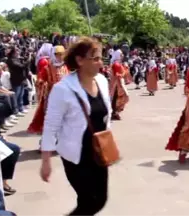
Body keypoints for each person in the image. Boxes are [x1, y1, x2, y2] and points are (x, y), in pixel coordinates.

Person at [40, 37, 111, 216]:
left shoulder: (102, 81)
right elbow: (50, 126)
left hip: (99, 151)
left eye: (101, 58)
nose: (100, 63)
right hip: (76, 156)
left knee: (100, 200)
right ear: (79, 60)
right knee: (90, 201)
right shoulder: (62, 89)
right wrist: (46, 161)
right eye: (94, 58)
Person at [28, 45, 68, 134]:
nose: (60, 57)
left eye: (62, 54)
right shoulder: (48, 67)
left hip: (65, 95)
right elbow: (40, 79)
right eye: (58, 54)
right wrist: (41, 82)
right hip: (52, 95)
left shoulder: (67, 67)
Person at [109, 49, 129, 120]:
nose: (122, 56)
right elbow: (117, 74)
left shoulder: (117, 63)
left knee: (115, 98)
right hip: (117, 84)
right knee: (120, 97)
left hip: (116, 84)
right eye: (121, 54)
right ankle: (115, 112)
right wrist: (124, 72)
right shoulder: (116, 64)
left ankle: (114, 112)